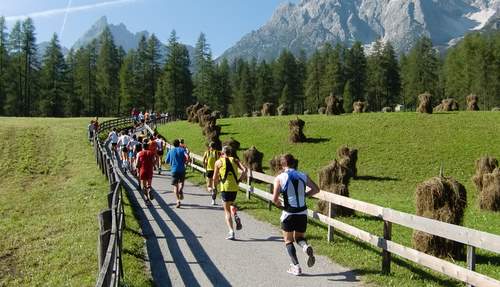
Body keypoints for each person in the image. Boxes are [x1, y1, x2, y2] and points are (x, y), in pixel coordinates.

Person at [272, 154, 320, 276]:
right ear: (294, 163)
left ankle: (296, 266)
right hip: (302, 213)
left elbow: (274, 199)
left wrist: (280, 206)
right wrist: (305, 196)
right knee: (299, 237)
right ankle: (305, 247)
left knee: (288, 240)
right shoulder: (303, 175)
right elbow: (316, 189)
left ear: (282, 165)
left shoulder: (280, 178)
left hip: (289, 213)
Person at [213, 146, 247, 240]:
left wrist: (214, 187)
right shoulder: (235, 160)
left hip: (225, 188)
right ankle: (235, 215)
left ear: (222, 153)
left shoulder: (218, 162)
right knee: (231, 203)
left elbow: (215, 177)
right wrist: (239, 179)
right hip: (234, 188)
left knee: (227, 210)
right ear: (231, 153)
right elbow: (245, 170)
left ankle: (231, 232)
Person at [165, 139, 189, 208]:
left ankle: (178, 200)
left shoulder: (170, 151)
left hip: (174, 170)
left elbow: (166, 161)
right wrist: (186, 162)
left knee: (175, 186)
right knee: (181, 183)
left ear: (173, 144)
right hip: (182, 169)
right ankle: (181, 189)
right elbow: (187, 157)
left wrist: (171, 162)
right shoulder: (182, 150)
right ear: (179, 144)